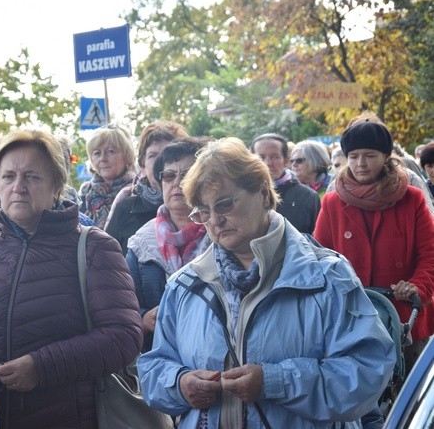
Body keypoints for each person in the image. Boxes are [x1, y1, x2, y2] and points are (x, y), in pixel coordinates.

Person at [138, 137, 395, 428]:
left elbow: (367, 372)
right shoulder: (186, 284)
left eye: (225, 203)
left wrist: (276, 382)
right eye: (203, 211)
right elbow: (153, 368)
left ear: (262, 193)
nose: (215, 220)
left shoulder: (327, 276)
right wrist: (180, 384)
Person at [0, 130, 143, 428]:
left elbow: (124, 336)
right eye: (8, 176)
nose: (19, 187)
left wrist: (42, 367)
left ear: (56, 185)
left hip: (69, 416)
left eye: (33, 177)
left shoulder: (94, 248)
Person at [314, 119, 434, 371]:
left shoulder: (411, 199)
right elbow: (319, 258)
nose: (361, 163)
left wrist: (417, 285)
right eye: (354, 156)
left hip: (405, 318)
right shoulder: (333, 202)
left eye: (369, 155)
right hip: (350, 318)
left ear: (385, 156)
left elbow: (430, 253)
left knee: (406, 397)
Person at [126, 138, 210, 351]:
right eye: (169, 176)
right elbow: (124, 308)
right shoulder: (141, 242)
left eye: (187, 175)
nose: (177, 183)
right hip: (161, 358)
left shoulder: (222, 232)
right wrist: (144, 318)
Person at [105, 120, 189, 254]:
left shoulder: (200, 207)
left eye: (167, 154)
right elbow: (107, 261)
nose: (160, 162)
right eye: (153, 156)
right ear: (142, 164)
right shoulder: (127, 209)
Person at [251, 133, 320, 234]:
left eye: (275, 157)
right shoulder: (244, 197)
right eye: (261, 157)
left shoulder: (307, 197)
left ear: (286, 161)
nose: (267, 163)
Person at [79, 124, 136, 229]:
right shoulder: (85, 192)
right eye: (97, 153)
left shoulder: (137, 190)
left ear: (127, 155)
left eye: (110, 151)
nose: (102, 158)